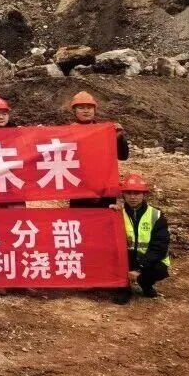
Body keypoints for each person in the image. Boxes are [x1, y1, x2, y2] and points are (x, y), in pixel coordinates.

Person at [114, 173, 171, 304]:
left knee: (158, 269)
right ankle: (123, 288)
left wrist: (140, 268)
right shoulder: (117, 213)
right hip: (127, 259)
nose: (132, 197)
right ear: (123, 195)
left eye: (137, 193)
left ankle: (145, 283)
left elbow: (160, 246)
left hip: (147, 260)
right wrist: (108, 210)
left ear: (144, 195)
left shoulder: (156, 215)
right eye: (128, 193)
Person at [67, 91, 129, 208]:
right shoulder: (68, 132)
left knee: (105, 218)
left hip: (104, 188)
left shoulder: (105, 132)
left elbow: (123, 156)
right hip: (80, 187)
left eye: (89, 107)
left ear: (95, 110)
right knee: (80, 218)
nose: (86, 111)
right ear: (74, 111)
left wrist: (119, 139)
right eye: (81, 108)